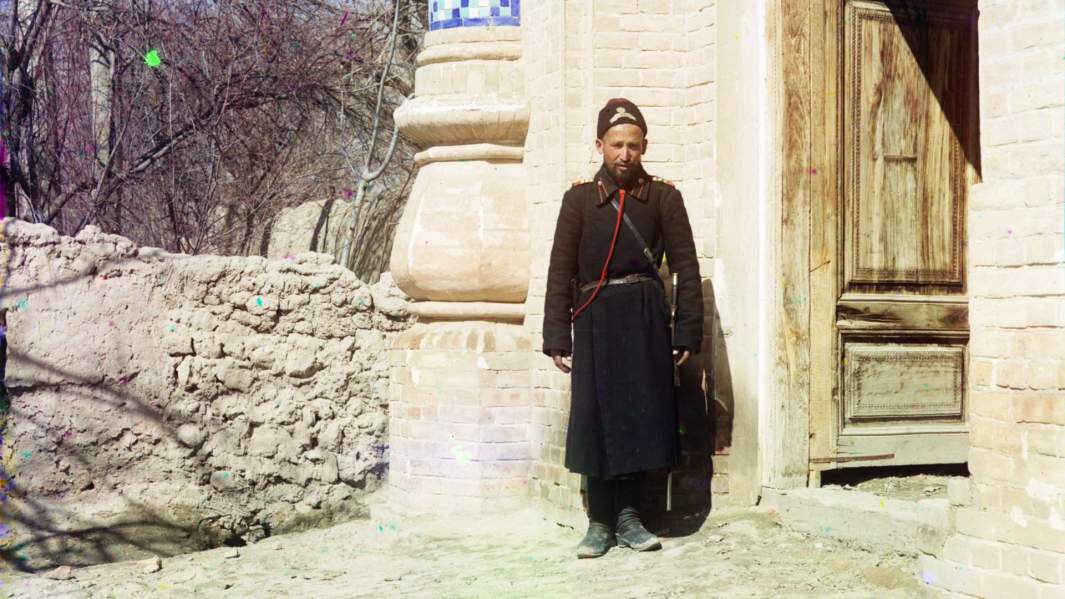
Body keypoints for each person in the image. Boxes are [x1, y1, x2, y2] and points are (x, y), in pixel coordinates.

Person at [542, 98, 703, 558]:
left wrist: (686, 331)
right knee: (594, 418)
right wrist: (556, 336)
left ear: (644, 146)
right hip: (593, 317)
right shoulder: (577, 200)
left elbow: (686, 269)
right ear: (600, 145)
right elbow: (559, 271)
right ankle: (598, 522)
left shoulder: (665, 197)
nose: (625, 155)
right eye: (616, 145)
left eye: (634, 145)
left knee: (641, 417)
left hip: (645, 318)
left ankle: (631, 519)